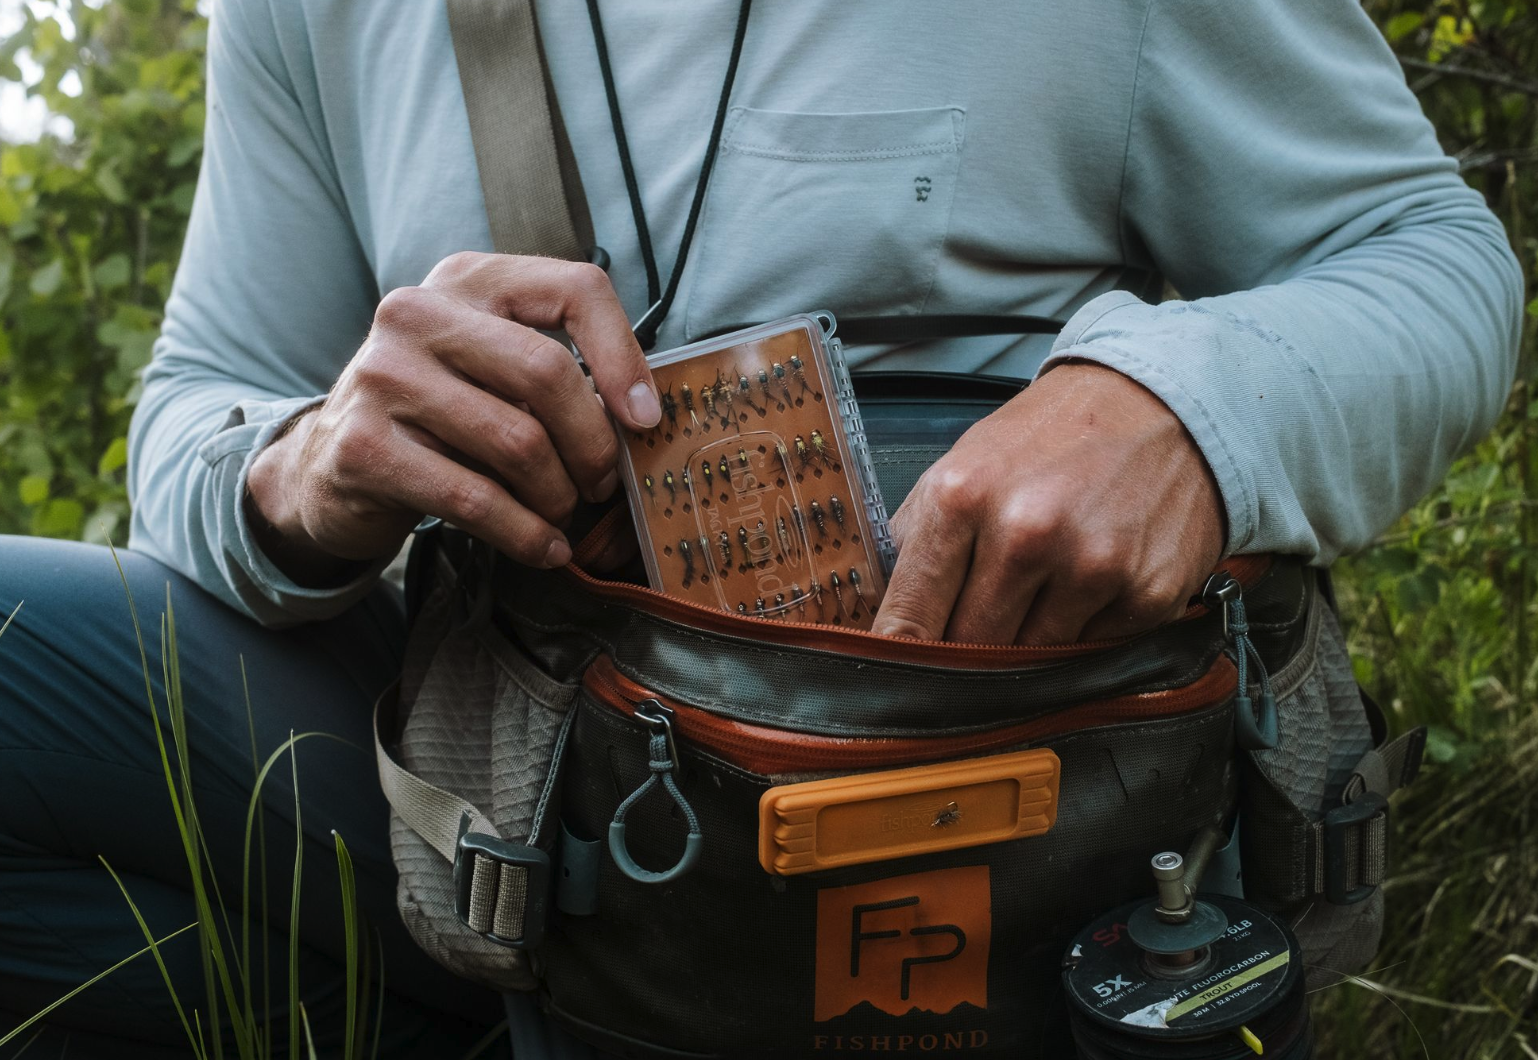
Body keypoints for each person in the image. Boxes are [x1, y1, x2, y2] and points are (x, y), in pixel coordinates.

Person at [0, 0, 1522, 1056]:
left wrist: (1188, 406)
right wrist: (308, 466)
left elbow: (1425, 256)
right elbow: (198, 409)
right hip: (506, 786)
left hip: (1017, 789)